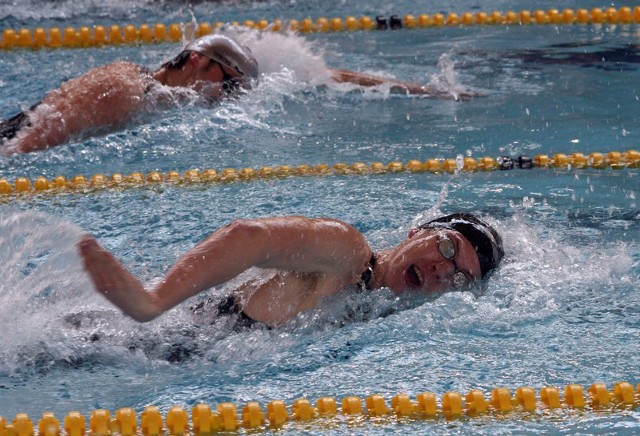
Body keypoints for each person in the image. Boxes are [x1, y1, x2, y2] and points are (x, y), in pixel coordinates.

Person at [1, 33, 462, 155]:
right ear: (200, 62)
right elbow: (32, 138)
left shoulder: (157, 97)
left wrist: (414, 89)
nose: (227, 97)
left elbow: (313, 70)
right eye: (230, 84)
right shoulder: (125, 87)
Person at [78, 213, 504, 328]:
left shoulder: (373, 304)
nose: (438, 269)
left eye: (457, 277)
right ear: (417, 231)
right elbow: (249, 236)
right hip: (134, 338)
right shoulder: (348, 252)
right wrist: (152, 303)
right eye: (446, 247)